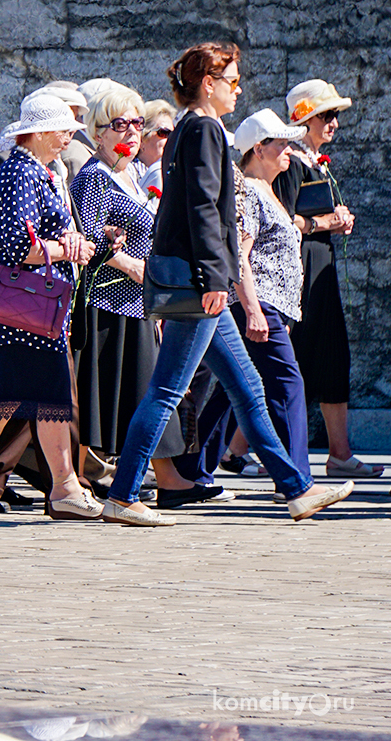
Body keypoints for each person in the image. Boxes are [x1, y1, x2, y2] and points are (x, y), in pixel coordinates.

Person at [101, 45, 352, 526]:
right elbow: (204, 211)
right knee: (168, 390)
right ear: (208, 83)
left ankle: (297, 490)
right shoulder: (203, 129)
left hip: (200, 282)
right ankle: (123, 493)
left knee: (248, 387)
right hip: (201, 285)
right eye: (232, 81)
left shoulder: (190, 130)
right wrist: (217, 278)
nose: (238, 89)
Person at [0, 91, 98, 521]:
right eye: (64, 130)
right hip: (26, 312)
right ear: (41, 132)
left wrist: (68, 244)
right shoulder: (21, 174)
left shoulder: (31, 172)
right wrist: (68, 250)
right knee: (46, 401)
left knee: (12, 402)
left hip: (29, 312)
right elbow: (15, 246)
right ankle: (62, 489)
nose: (69, 137)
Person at [69, 85, 208, 503]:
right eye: (119, 125)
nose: (131, 132)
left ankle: (166, 477)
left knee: (142, 389)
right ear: (97, 132)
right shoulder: (93, 177)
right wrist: (133, 265)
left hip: (136, 302)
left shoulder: (126, 174)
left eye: (135, 123)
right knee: (101, 394)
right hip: (105, 301)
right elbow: (88, 236)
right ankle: (75, 480)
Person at [173, 110, 312, 498]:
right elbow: (242, 257)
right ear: (258, 149)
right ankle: (297, 478)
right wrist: (253, 310)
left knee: (233, 390)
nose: (290, 150)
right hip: (256, 302)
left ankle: (192, 467)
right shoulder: (249, 191)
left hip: (271, 305)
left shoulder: (271, 191)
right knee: (286, 383)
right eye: (281, 143)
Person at [275, 79, 381, 479]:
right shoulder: (290, 161)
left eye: (335, 115)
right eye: (326, 115)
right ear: (304, 118)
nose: (334, 123)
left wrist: (337, 219)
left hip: (321, 266)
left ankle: (340, 451)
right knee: (293, 358)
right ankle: (246, 449)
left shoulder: (313, 161)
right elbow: (285, 220)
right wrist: (326, 221)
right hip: (300, 268)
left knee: (333, 354)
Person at [135, 100, 176, 193]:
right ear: (142, 139)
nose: (170, 140)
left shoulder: (170, 174)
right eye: (164, 133)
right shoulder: (129, 175)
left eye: (173, 134)